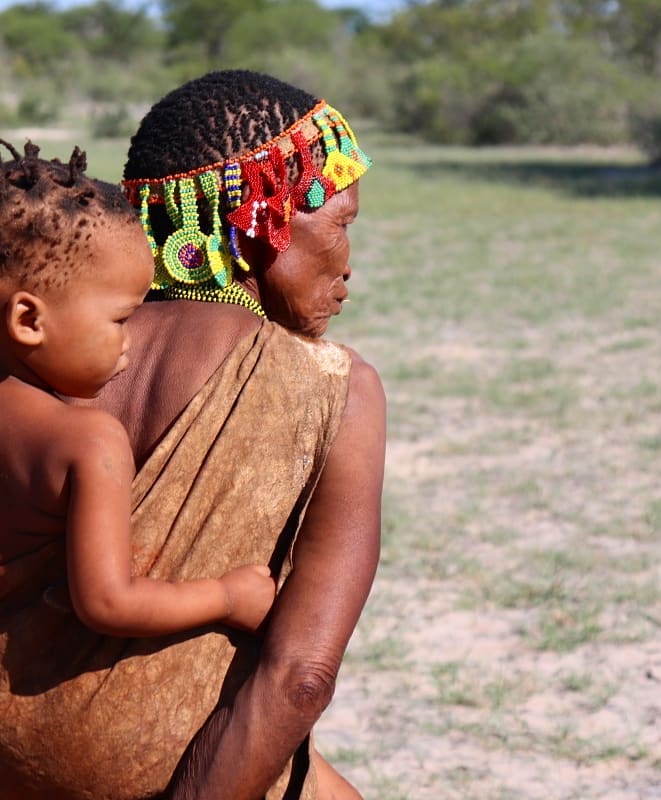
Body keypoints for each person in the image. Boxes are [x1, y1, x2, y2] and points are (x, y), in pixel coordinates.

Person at [0, 70, 386, 800]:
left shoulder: (42, 345)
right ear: (258, 225)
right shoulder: (335, 388)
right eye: (340, 224)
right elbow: (299, 680)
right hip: (152, 766)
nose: (348, 266)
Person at [0, 139, 276, 641]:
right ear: (28, 319)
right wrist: (228, 596)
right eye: (121, 318)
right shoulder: (87, 442)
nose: (130, 343)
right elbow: (108, 603)